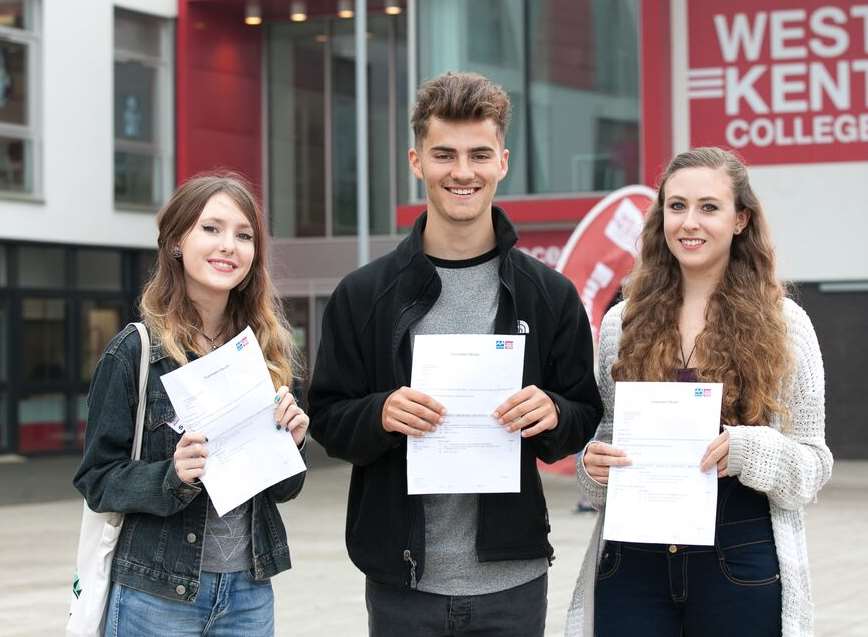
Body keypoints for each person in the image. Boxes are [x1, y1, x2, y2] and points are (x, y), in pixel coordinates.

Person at [308, 71, 603, 637]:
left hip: (512, 579)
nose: (462, 172)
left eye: (478, 155)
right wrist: (379, 414)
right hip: (402, 581)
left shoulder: (548, 294)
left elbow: (583, 414)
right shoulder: (364, 295)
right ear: (416, 161)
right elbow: (327, 416)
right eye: (444, 154)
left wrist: (555, 415)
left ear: (503, 162)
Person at [564, 147, 833, 637]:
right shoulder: (621, 323)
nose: (690, 222)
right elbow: (602, 441)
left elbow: (813, 467)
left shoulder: (785, 325)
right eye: (676, 206)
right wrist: (592, 466)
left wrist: (752, 450)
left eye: (709, 207)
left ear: (740, 220)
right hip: (633, 562)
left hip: (739, 559)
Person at [73, 173, 309, 636]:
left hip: (248, 592)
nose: (229, 246)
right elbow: (96, 479)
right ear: (178, 241)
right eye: (211, 229)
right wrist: (171, 475)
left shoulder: (266, 352)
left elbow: (283, 490)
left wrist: (293, 444)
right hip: (155, 595)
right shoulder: (135, 352)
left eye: (244, 236)